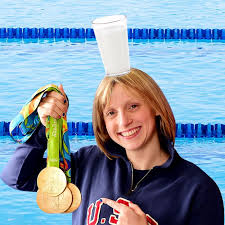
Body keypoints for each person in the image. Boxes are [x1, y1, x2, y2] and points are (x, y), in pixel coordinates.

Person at [0, 68, 224, 225]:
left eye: (133, 106)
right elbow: (18, 178)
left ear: (156, 107)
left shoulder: (198, 190)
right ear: (103, 122)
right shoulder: (88, 163)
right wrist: (43, 125)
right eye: (111, 113)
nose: (123, 121)